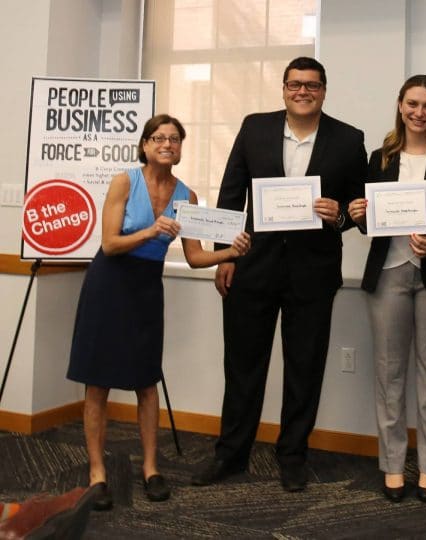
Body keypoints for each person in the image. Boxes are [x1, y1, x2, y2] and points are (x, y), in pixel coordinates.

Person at [191, 56, 367, 492]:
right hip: (252, 265)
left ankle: (292, 455)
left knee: (305, 368)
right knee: (243, 366)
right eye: (294, 84)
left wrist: (340, 215)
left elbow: (361, 208)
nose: (302, 91)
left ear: (324, 90)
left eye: (311, 85)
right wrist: (224, 255)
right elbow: (231, 193)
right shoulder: (255, 127)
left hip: (314, 271)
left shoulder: (348, 139)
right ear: (284, 89)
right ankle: (230, 455)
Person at [67, 114, 251, 511]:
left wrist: (231, 251)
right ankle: (97, 473)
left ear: (181, 148)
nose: (167, 144)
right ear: (146, 145)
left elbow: (196, 255)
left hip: (146, 288)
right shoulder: (123, 182)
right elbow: (111, 244)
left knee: (146, 381)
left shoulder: (187, 196)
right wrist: (151, 232)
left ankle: (151, 468)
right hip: (109, 283)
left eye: (175, 139)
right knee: (97, 381)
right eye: (159, 138)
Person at [346, 75, 426, 503]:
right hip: (388, 273)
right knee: (389, 375)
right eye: (412, 104)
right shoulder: (381, 156)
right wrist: (357, 213)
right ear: (400, 104)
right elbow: (369, 217)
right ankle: (392, 466)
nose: (419, 113)